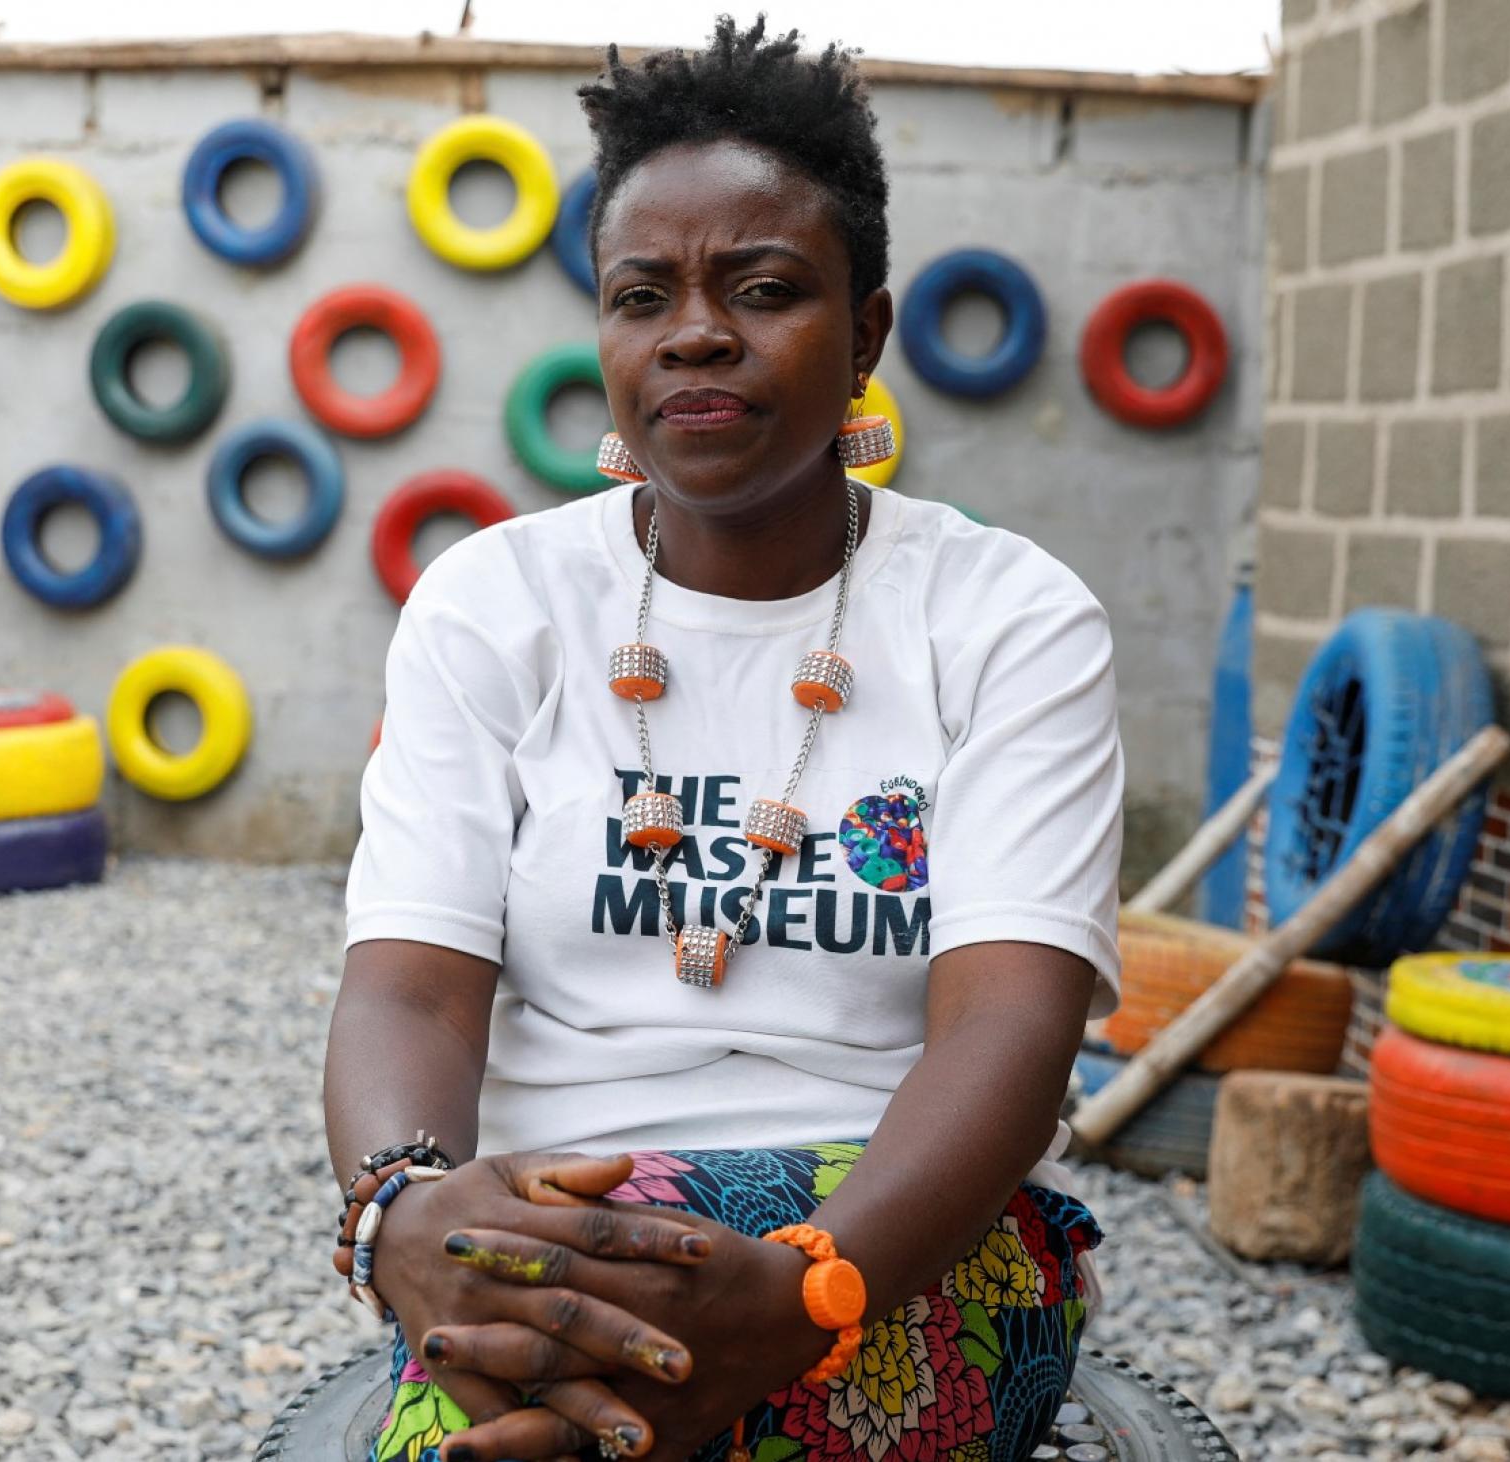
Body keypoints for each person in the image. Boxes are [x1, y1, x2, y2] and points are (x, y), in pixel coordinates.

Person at [327, 17, 1124, 1461]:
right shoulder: (494, 604)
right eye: (644, 295)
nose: (695, 329)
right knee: (539, 1361)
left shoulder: (1007, 618)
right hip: (561, 1216)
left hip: (901, 1225)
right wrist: (406, 1207)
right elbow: (410, 996)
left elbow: (1013, 1026)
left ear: (868, 332)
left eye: (762, 288)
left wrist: (812, 1284)